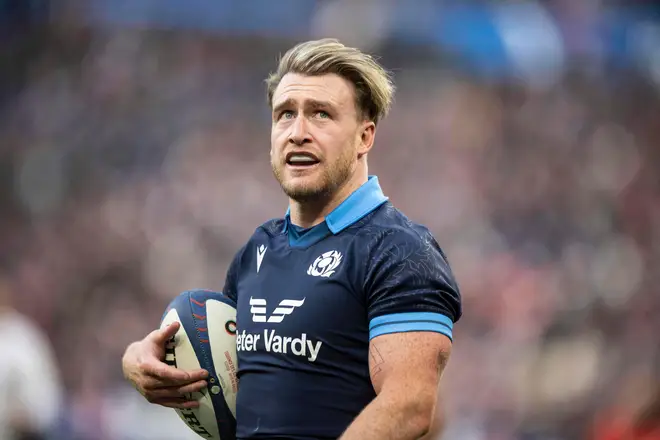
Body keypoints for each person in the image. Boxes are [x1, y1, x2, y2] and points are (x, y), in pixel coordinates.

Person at [122, 38, 462, 440]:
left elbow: (410, 407)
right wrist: (137, 361)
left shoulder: (401, 252)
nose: (298, 132)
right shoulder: (258, 249)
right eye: (285, 114)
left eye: (321, 115)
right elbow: (226, 358)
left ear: (364, 137)